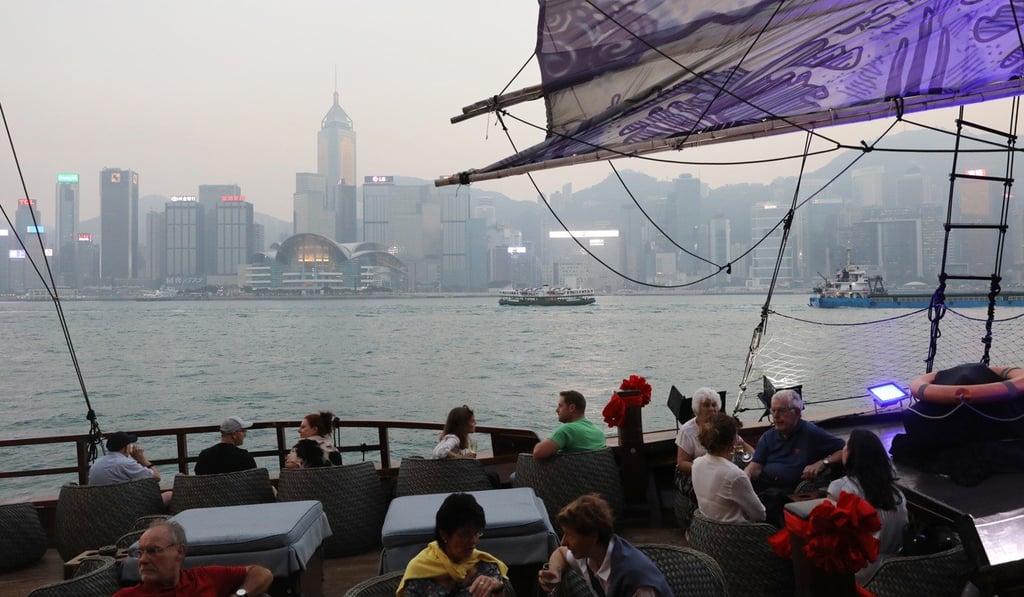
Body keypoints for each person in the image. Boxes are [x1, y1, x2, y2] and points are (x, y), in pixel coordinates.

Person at [744, 389, 845, 526]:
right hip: (764, 483)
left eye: (781, 410)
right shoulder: (768, 437)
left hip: (789, 490)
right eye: (773, 411)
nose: (776, 416)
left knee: (770, 499)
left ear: (797, 412)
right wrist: (746, 474)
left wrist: (823, 462)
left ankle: (768, 534)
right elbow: (756, 465)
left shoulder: (811, 433)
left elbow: (844, 449)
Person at [538, 494, 671, 596]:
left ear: (593, 537)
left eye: (571, 535)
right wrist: (555, 572)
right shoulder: (590, 554)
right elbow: (561, 553)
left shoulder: (637, 582)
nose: (564, 542)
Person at [827, 428, 909, 583]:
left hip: (862, 571)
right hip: (896, 569)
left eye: (846, 446)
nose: (843, 450)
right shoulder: (897, 493)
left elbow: (833, 538)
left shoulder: (840, 488)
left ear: (852, 454)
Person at [114, 520, 273, 596]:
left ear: (179, 551)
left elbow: (261, 573)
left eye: (153, 551)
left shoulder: (204, 578)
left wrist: (240, 595)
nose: (143, 560)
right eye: (140, 553)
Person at [397, 493, 509, 596]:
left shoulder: (486, 567)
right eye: (465, 534)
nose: (473, 540)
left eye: (477, 532)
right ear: (444, 535)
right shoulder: (420, 573)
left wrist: (497, 589)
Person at [674, 388, 753, 528]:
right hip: (692, 471)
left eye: (714, 405)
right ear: (697, 409)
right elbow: (682, 463)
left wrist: (750, 462)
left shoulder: (723, 428)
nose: (711, 409)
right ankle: (698, 522)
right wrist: (706, 470)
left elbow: (742, 448)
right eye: (706, 405)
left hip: (723, 470)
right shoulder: (687, 431)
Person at [691, 413, 766, 523]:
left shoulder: (697, 464)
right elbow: (760, 515)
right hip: (737, 534)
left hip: (709, 530)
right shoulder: (734, 475)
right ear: (733, 441)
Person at [532, 390, 607, 460]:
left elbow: (538, 453)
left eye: (560, 406)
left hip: (571, 473)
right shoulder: (598, 431)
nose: (556, 410)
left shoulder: (567, 429)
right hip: (596, 473)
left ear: (572, 408)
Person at [89, 431, 161, 485]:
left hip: (99, 504)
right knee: (168, 494)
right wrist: (142, 459)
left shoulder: (97, 462)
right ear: (126, 448)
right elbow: (157, 477)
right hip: (124, 504)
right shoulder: (126, 463)